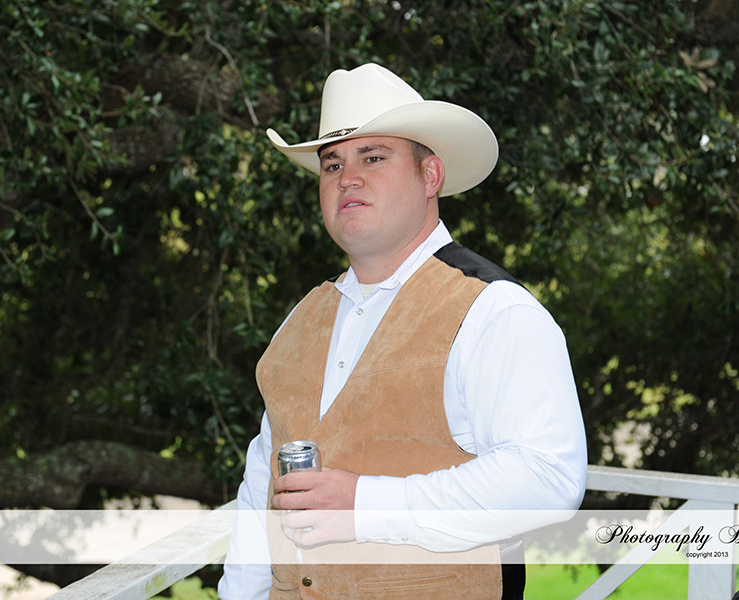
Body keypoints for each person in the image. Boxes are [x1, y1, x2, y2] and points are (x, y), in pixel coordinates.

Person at [219, 63, 586, 600]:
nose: (347, 178)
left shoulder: (493, 310)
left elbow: (547, 479)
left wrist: (365, 506)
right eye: (332, 163)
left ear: (430, 176)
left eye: (373, 157)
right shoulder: (299, 321)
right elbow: (261, 495)